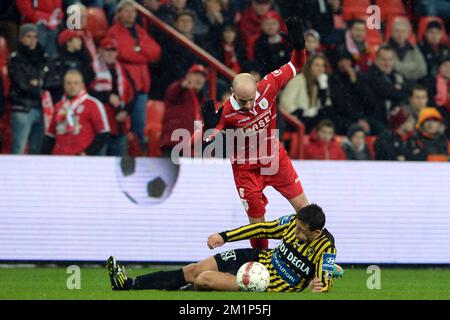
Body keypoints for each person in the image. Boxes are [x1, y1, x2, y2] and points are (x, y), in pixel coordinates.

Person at [201, 17, 308, 250]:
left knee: (306, 212)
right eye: (243, 101)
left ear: (257, 87)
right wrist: (208, 131)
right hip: (246, 170)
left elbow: (296, 66)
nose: (249, 106)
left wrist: (299, 47)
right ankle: (263, 265)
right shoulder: (226, 111)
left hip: (274, 159)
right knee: (257, 225)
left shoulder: (269, 85)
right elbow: (206, 144)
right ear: (232, 93)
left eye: (251, 100)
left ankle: (314, 259)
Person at [107, 204, 341, 292]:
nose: (296, 233)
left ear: (316, 232)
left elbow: (325, 281)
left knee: (204, 278)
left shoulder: (326, 249)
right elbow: (260, 230)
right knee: (195, 269)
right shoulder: (293, 221)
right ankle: (128, 284)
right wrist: (225, 236)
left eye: (302, 232)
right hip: (258, 257)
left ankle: (183, 290)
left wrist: (320, 285)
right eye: (297, 227)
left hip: (269, 281)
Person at [106, 0, 161, 154]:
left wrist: (137, 51)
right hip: (125, 88)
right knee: (123, 126)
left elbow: (156, 52)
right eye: (127, 11)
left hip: (142, 86)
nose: (131, 14)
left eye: (133, 12)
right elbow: (122, 52)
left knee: (140, 128)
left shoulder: (139, 30)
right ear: (119, 13)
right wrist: (142, 54)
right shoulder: (113, 32)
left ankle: (140, 158)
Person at [41, 69, 110, 155]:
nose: (72, 86)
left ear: (82, 84)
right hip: (59, 158)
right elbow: (51, 135)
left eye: (76, 83)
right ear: (64, 85)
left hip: (81, 160)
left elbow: (104, 133)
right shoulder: (59, 106)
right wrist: (42, 157)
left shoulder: (93, 104)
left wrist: (87, 153)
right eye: (68, 83)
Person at [89, 37, 135, 157]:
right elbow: (87, 92)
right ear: (99, 51)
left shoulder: (122, 70)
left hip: (120, 124)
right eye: (107, 50)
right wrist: (107, 96)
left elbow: (132, 93)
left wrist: (126, 111)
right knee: (100, 163)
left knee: (119, 163)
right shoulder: (91, 68)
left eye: (113, 50)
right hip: (101, 125)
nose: (110, 53)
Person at [8, 23, 49, 154]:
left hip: (42, 108)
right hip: (23, 109)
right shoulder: (15, 58)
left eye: (35, 37)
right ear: (21, 38)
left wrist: (36, 83)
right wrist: (39, 84)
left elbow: (53, 80)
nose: (33, 40)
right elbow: (23, 84)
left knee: (36, 152)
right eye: (28, 36)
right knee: (18, 150)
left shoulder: (43, 56)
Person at [358, 45, 409, 134]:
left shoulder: (396, 76)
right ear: (376, 60)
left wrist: (397, 93)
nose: (387, 63)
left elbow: (406, 93)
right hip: (373, 119)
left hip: (392, 120)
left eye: (390, 60)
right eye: (383, 59)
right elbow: (387, 91)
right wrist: (397, 91)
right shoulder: (368, 76)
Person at [161, 64, 208, 155]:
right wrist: (182, 85)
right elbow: (172, 92)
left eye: (202, 76)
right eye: (196, 74)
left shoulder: (202, 98)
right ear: (187, 76)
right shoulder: (180, 91)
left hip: (191, 145)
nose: (199, 78)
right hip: (175, 143)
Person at [279, 54, 333, 133]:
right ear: (309, 66)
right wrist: (303, 112)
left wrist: (323, 87)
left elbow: (326, 105)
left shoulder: (322, 82)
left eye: (323, 66)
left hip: (313, 121)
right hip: (297, 119)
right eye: (317, 65)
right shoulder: (298, 80)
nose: (320, 69)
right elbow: (285, 102)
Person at [46, 29, 95, 102]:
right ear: (68, 42)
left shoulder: (83, 58)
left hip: (81, 98)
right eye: (77, 39)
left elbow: (90, 77)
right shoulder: (57, 61)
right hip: (62, 100)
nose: (80, 42)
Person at [329, 51, 369, 134]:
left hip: (361, 116)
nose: (344, 64)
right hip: (342, 117)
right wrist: (357, 120)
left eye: (347, 60)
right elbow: (340, 103)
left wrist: (355, 82)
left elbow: (367, 99)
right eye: (341, 61)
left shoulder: (359, 77)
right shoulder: (333, 79)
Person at [253, 11, 291, 76]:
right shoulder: (258, 42)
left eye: (273, 23)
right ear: (262, 25)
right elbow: (258, 64)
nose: (270, 27)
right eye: (267, 24)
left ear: (279, 24)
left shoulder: (287, 41)